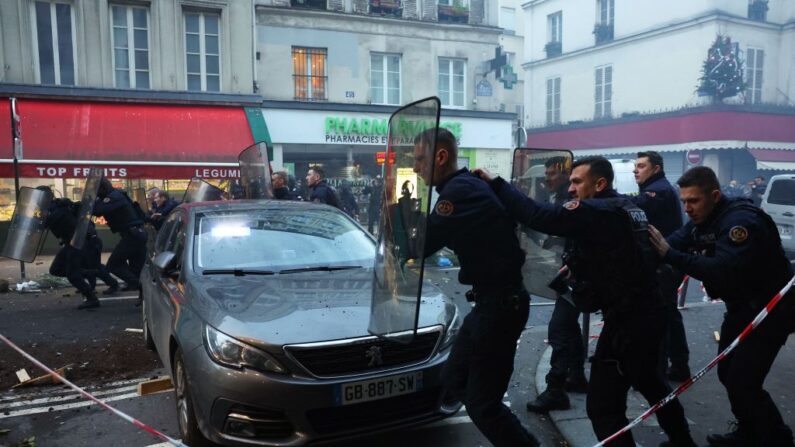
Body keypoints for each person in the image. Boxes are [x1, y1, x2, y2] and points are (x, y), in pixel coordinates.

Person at [477, 156, 697, 447]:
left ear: (600, 183)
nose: (571, 189)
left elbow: (538, 215)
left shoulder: (597, 210)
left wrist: (496, 183)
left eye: (577, 181)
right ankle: (683, 441)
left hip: (629, 322)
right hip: (642, 315)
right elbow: (623, 256)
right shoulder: (625, 208)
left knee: (603, 407)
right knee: (652, 385)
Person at [649, 166, 795, 447]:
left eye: (693, 201)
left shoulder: (740, 221)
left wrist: (670, 255)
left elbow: (722, 269)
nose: (687, 208)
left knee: (744, 381)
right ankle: (749, 430)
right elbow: (672, 243)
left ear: (714, 195)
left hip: (770, 312)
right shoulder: (703, 220)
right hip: (742, 309)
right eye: (684, 202)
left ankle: (777, 438)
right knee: (728, 373)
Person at [413, 128, 540, 447]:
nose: (415, 167)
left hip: (501, 306)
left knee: (484, 406)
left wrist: (396, 222)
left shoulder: (459, 192)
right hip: (491, 303)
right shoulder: (461, 187)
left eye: (419, 160)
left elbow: (423, 244)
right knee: (453, 380)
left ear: (440, 157)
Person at [526, 156, 588, 414]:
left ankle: (556, 390)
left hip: (580, 277)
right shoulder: (562, 198)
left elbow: (555, 226)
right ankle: (576, 376)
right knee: (568, 327)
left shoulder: (572, 202)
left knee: (560, 329)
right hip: (575, 274)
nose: (547, 179)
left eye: (552, 174)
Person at [631, 151, 691, 382]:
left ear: (656, 168)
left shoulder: (659, 191)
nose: (636, 170)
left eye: (642, 166)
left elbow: (634, 206)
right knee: (669, 314)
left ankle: (658, 373)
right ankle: (678, 365)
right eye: (635, 166)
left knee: (660, 316)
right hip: (668, 261)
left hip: (664, 263)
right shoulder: (657, 187)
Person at [38, 186, 119, 309]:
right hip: (73, 243)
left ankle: (92, 298)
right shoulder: (55, 207)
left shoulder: (58, 210)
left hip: (80, 242)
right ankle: (92, 273)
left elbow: (46, 223)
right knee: (56, 269)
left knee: (73, 274)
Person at [92, 178, 147, 293]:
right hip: (136, 234)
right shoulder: (116, 195)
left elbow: (98, 210)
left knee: (113, 264)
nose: (96, 192)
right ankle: (140, 290)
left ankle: (137, 284)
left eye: (96, 190)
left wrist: (93, 200)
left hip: (133, 235)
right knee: (136, 268)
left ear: (102, 188)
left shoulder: (114, 197)